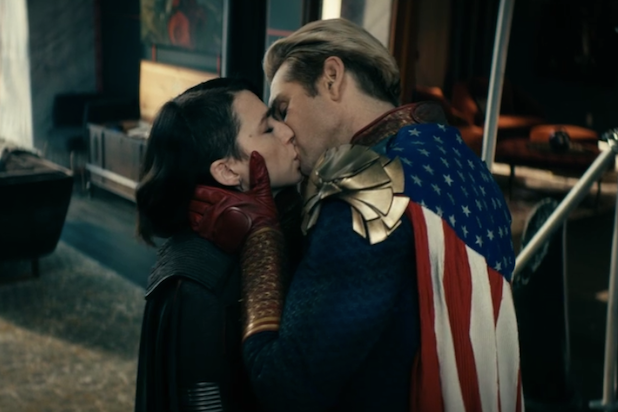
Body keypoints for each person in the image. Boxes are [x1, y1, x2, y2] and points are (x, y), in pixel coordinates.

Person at [190, 18, 522, 412]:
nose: (285, 131)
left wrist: (261, 236)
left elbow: (282, 383)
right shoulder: (462, 163)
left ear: (332, 78)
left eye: (283, 109)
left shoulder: (365, 194)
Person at [133, 77, 303, 412]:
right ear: (227, 171)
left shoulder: (280, 219)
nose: (287, 132)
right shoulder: (197, 284)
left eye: (278, 119)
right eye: (268, 129)